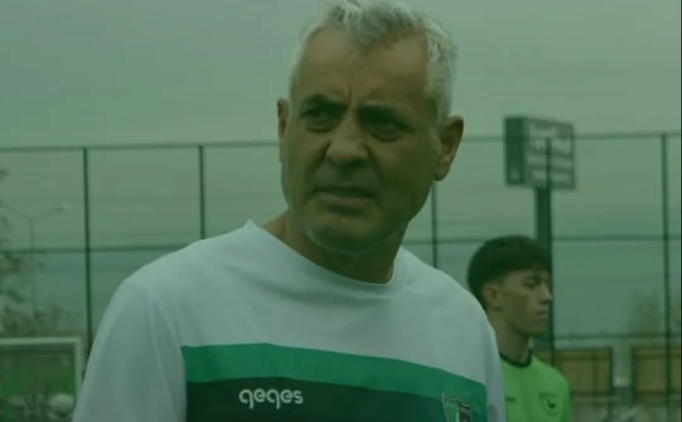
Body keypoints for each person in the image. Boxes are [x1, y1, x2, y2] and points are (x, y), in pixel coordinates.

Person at [72, 0, 506, 420]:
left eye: (383, 123)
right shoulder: (168, 310)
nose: (344, 150)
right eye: (320, 115)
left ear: (444, 146)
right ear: (284, 128)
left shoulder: (463, 329)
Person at [467, 235, 572, 422]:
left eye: (547, 285)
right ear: (493, 295)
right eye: (531, 284)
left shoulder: (556, 384)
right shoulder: (467, 378)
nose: (546, 296)